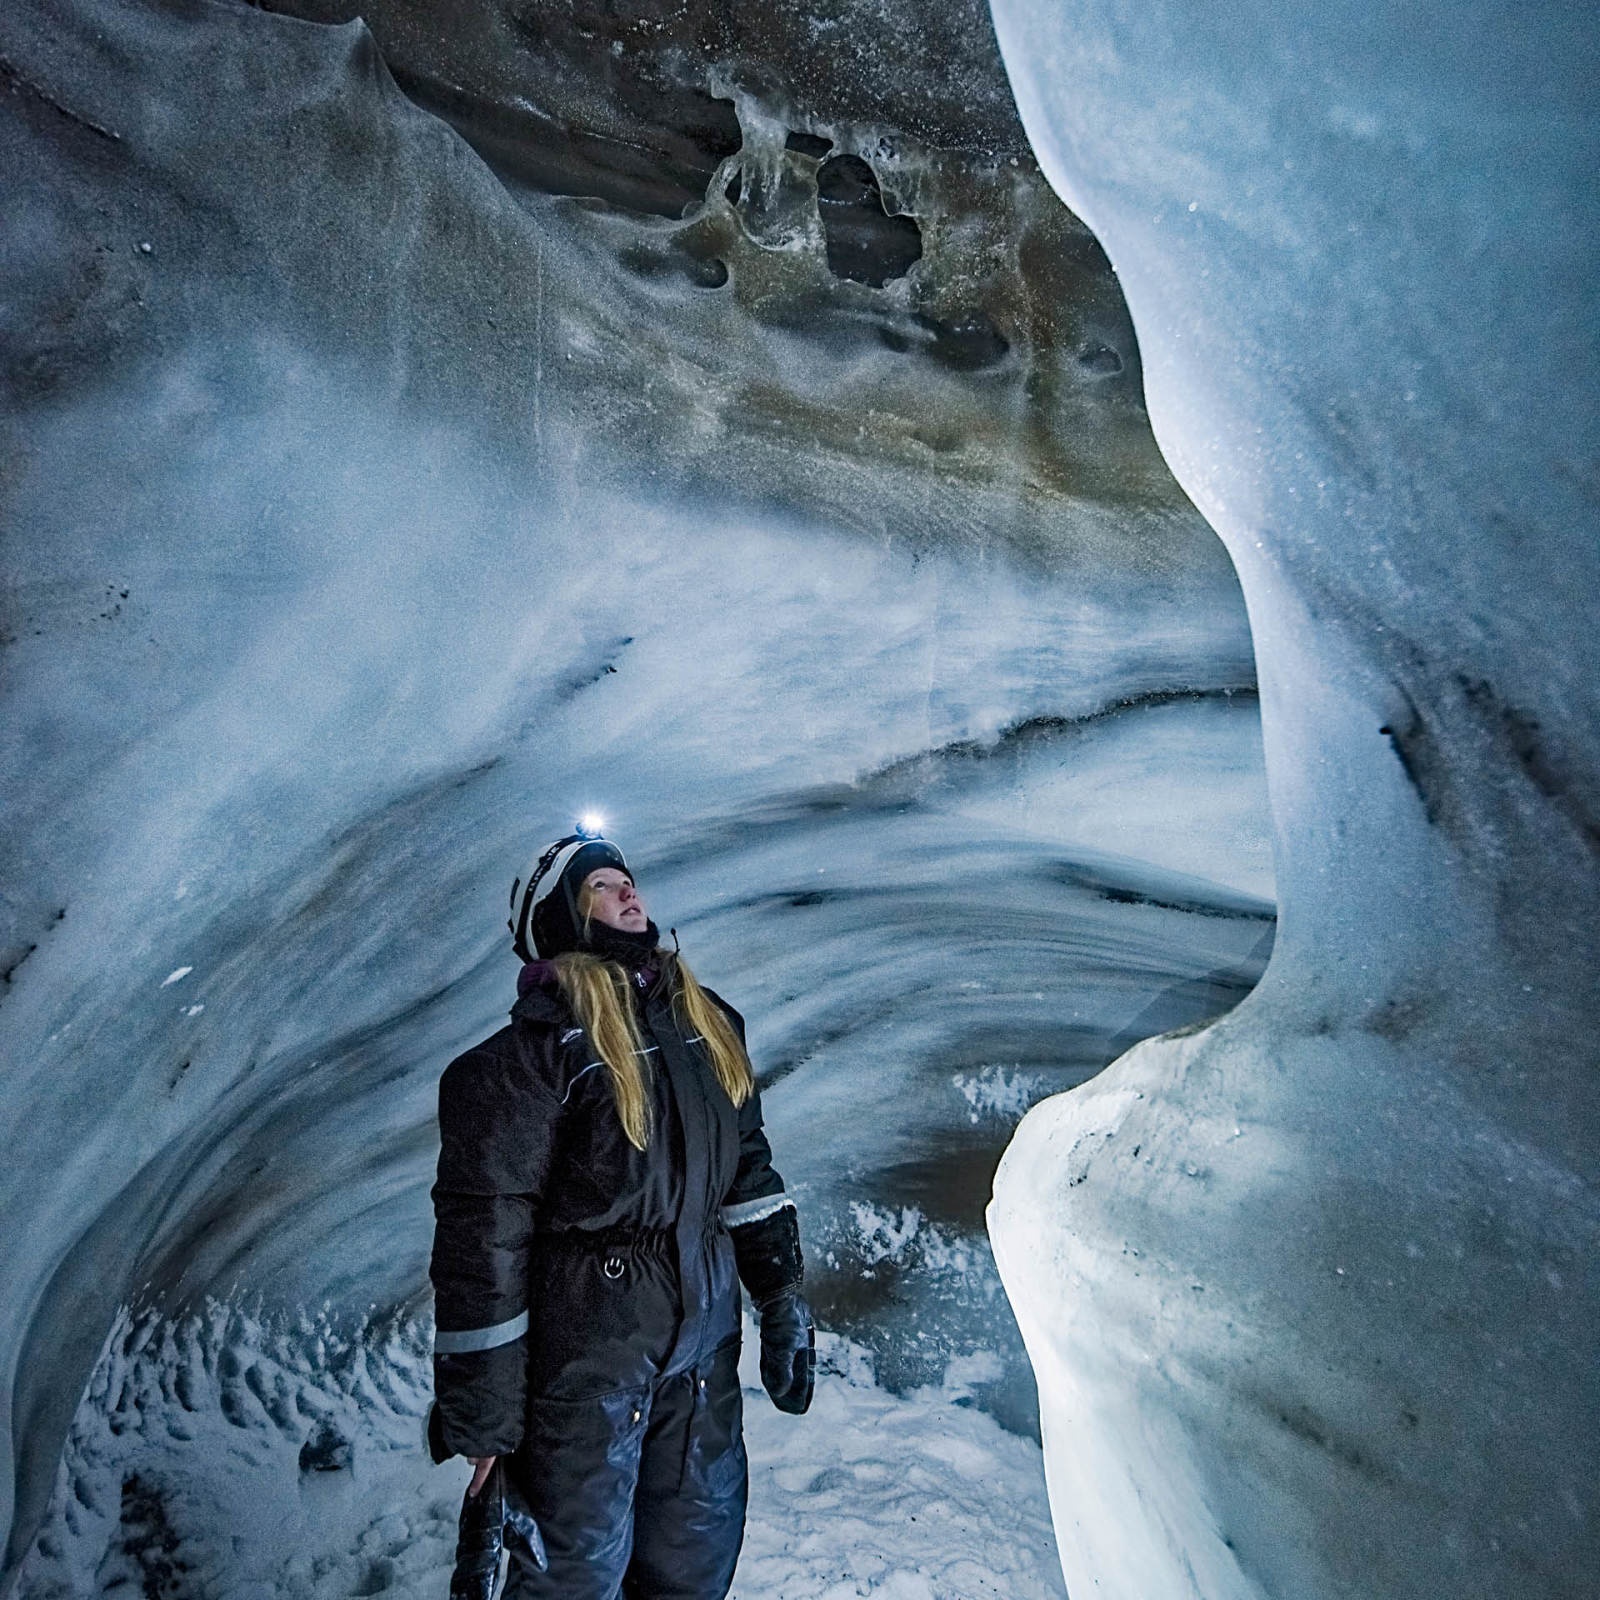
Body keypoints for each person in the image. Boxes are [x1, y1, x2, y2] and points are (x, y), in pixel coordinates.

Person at [427, 823, 815, 1599]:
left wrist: (780, 1294)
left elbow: (746, 1172)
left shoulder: (709, 1027)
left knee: (693, 1558)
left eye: (626, 878)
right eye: (599, 885)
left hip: (702, 1355)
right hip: (586, 1367)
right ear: (561, 919)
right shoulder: (528, 1063)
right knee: (572, 1573)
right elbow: (483, 1249)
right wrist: (486, 1432)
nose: (627, 890)